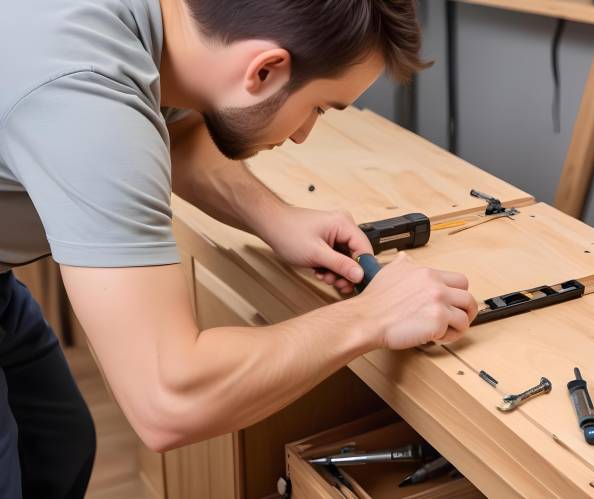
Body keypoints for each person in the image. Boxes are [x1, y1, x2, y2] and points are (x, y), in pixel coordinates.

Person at [0, 1, 478, 497]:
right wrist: (373, 317)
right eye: (317, 107)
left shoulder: (165, 24)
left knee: (56, 447)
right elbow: (168, 398)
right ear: (265, 70)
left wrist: (274, 219)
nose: (302, 133)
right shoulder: (85, 100)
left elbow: (175, 124)